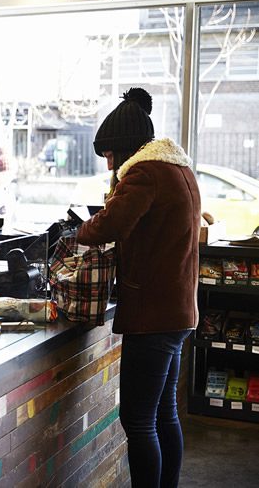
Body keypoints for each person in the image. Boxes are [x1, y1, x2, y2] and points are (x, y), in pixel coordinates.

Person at [75, 88, 201, 488]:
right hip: (177, 312)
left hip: (153, 316)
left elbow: (110, 225)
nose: (109, 163)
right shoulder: (178, 169)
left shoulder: (144, 173)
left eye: (110, 154)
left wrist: (80, 229)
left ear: (124, 147)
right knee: (164, 414)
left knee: (139, 419)